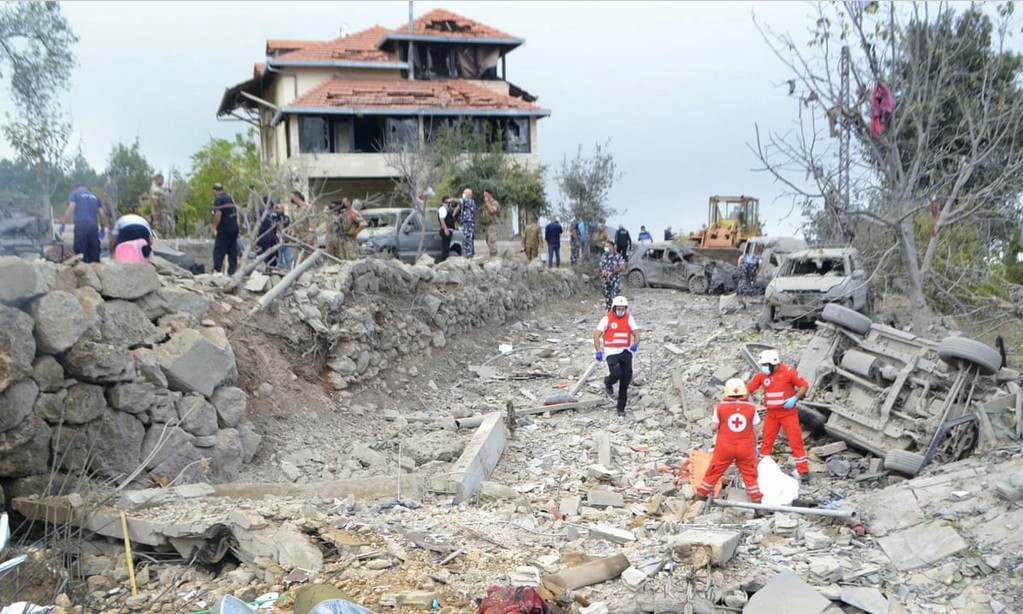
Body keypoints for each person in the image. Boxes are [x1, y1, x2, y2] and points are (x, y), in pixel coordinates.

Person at [746, 349, 811, 483]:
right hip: (772, 414)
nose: (763, 368)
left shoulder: (789, 372)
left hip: (788, 413)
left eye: (765, 365)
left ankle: (803, 471)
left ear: (773, 363)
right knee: (767, 441)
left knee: (795, 440)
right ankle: (761, 468)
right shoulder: (762, 376)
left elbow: (804, 386)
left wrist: (795, 398)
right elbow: (749, 389)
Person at [695, 378, 763, 503]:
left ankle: (701, 496)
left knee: (715, 471)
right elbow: (756, 429)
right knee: (750, 473)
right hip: (745, 447)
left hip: (725, 447)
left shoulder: (720, 407)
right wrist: (755, 446)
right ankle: (757, 500)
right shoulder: (751, 408)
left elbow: (714, 427)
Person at [593, 295, 640, 417]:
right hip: (611, 351)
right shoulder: (607, 319)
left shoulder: (629, 318)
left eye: (622, 308)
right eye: (618, 308)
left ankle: (621, 407)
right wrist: (598, 351)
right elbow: (597, 335)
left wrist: (635, 344)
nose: (620, 311)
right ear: (614, 308)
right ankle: (608, 382)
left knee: (626, 378)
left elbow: (636, 333)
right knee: (616, 373)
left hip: (625, 350)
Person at [60, 181, 109, 263]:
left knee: (81, 256)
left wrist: (63, 223)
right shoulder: (95, 196)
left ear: (76, 188)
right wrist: (103, 230)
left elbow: (71, 208)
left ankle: (83, 273)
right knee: (94, 255)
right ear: (85, 187)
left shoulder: (74, 195)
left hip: (81, 226)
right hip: (93, 227)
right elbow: (102, 214)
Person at [210, 183, 240, 275]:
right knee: (232, 250)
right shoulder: (230, 198)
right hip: (234, 228)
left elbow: (218, 214)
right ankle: (232, 271)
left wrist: (213, 228)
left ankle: (217, 271)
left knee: (219, 249)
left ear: (215, 191)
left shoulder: (218, 199)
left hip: (224, 229)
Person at [255, 200, 282, 269]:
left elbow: (257, 225)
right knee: (273, 255)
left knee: (262, 255)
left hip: (263, 236)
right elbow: (280, 227)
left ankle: (264, 271)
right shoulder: (277, 212)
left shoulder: (261, 211)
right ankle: (271, 270)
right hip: (273, 236)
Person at [599, 238, 625, 310]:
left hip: (615, 280)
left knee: (615, 298)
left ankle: (615, 312)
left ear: (612, 246)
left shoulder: (618, 256)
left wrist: (613, 273)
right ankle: (609, 313)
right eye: (606, 246)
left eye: (608, 245)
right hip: (606, 279)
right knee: (607, 297)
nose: (607, 247)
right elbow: (601, 265)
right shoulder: (604, 255)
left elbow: (622, 267)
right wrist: (603, 270)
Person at [437, 195, 459, 263]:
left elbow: (451, 217)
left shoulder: (447, 209)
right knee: (445, 246)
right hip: (445, 230)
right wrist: (445, 229)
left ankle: (445, 258)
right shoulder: (442, 209)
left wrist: (457, 209)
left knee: (447, 246)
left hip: (449, 230)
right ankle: (443, 260)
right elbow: (442, 219)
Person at [480, 190, 501, 259]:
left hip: (492, 225)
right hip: (487, 225)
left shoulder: (494, 203)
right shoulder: (486, 204)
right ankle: (491, 255)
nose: (484, 197)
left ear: (490, 195)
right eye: (484, 195)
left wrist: (487, 202)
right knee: (488, 240)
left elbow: (492, 210)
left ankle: (494, 257)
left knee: (492, 241)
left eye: (486, 195)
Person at [459, 187, 478, 259]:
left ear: (469, 194)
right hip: (465, 223)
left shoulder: (470, 201)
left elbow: (459, 201)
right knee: (465, 239)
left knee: (468, 239)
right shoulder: (465, 202)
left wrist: (451, 200)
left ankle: (469, 255)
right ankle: (468, 254)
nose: (463, 194)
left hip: (469, 224)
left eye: (464, 193)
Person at [275, 202, 294, 270]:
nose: (283, 209)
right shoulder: (274, 218)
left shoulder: (287, 218)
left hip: (286, 240)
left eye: (283, 208)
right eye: (281, 208)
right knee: (279, 260)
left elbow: (290, 226)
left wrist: (289, 232)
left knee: (288, 259)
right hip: (278, 241)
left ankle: (291, 272)